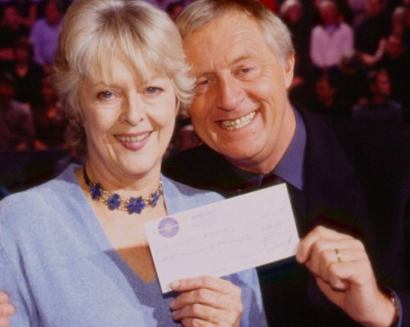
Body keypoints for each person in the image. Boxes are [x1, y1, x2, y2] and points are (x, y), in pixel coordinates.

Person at [0, 0, 267, 326]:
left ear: (177, 98)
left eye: (151, 89)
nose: (134, 114)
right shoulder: (19, 227)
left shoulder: (216, 217)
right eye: (107, 94)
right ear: (77, 107)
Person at [162, 0, 410, 326]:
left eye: (245, 70)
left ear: (287, 67)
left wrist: (386, 310)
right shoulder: (169, 189)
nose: (228, 99)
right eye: (203, 82)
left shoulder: (395, 158)